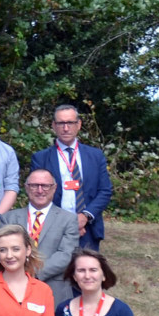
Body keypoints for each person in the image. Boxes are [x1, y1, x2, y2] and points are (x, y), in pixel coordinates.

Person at [31, 104, 112, 250]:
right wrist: (65, 224)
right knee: (52, 265)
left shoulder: (95, 156)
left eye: (70, 123)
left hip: (88, 228)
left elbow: (105, 190)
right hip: (52, 228)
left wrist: (85, 217)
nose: (66, 128)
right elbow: (38, 193)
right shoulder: (41, 158)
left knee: (85, 265)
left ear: (79, 124)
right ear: (54, 126)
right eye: (61, 123)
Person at [0, 170, 80, 307]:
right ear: (26, 188)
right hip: (13, 288)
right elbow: (3, 251)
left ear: (54, 188)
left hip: (54, 289)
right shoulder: (8, 218)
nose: (40, 190)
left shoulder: (68, 219)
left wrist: (31, 274)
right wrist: (19, 275)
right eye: (34, 185)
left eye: (45, 186)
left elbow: (66, 255)